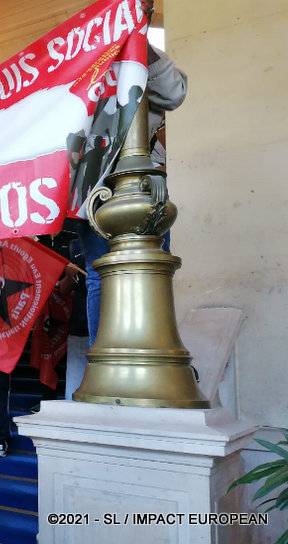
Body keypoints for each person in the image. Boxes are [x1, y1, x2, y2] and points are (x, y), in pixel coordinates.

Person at [76, 2, 188, 346]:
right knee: (99, 275)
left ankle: (152, 353)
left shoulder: (148, 53)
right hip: (93, 185)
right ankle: (103, 358)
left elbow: (175, 94)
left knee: (154, 267)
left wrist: (140, 42)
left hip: (142, 180)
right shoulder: (83, 56)